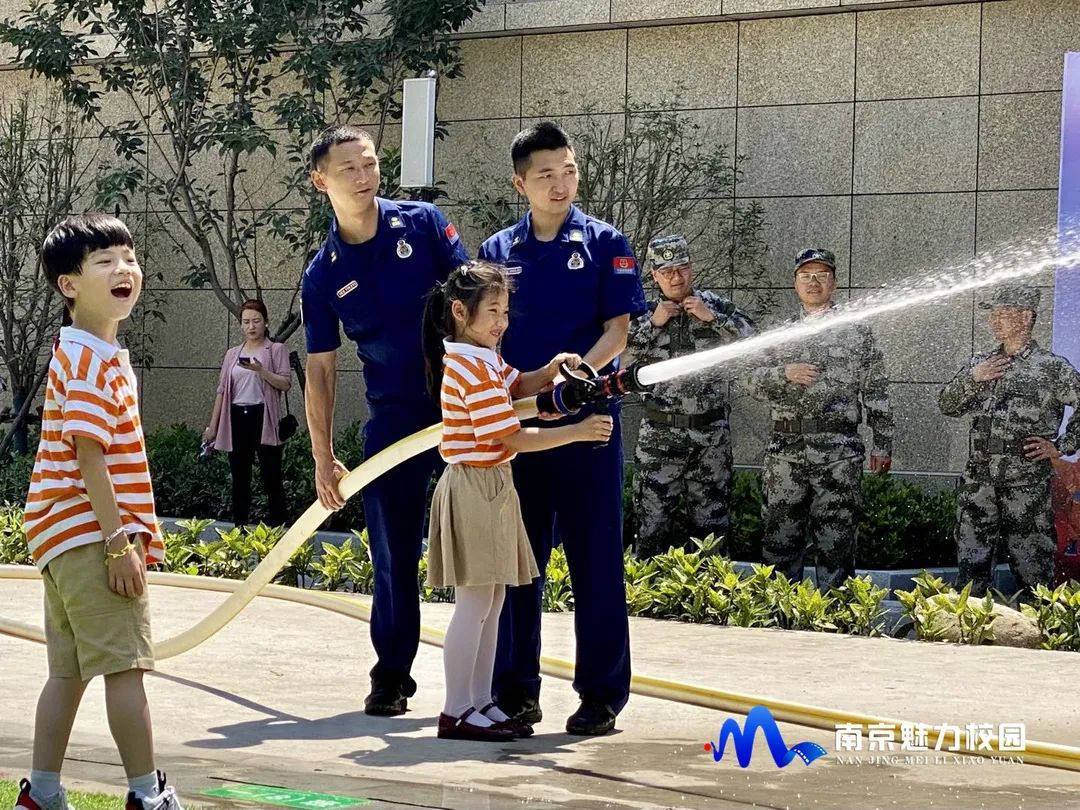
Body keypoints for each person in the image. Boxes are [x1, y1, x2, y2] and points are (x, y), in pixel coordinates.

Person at [479, 121, 646, 736]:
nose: (561, 183)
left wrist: (579, 376)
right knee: (519, 564)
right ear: (521, 182)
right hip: (519, 431)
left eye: (569, 170)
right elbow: (485, 337)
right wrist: (517, 390)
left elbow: (618, 331)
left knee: (595, 560)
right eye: (546, 174)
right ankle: (516, 692)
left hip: (589, 425)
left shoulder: (605, 243)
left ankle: (601, 695)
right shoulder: (497, 253)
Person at [300, 124, 469, 716]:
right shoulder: (323, 275)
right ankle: (392, 675)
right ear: (321, 180)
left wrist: (488, 391)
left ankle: (501, 681)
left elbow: (477, 306)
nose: (364, 176)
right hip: (394, 421)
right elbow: (320, 372)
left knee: (490, 541)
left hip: (463, 405)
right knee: (393, 550)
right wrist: (323, 457)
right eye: (349, 168)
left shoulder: (423, 224)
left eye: (370, 163)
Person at [15, 213, 183, 810]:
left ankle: (43, 792)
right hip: (93, 534)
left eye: (129, 259)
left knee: (68, 672)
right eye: (105, 261)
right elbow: (90, 456)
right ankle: (146, 793)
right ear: (69, 285)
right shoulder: (90, 360)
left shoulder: (91, 352)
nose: (124, 270)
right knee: (126, 668)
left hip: (63, 537)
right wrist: (118, 541)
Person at [421, 261, 613, 741]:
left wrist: (549, 371)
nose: (502, 321)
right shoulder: (468, 366)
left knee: (493, 600)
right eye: (493, 311)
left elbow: (516, 386)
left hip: (493, 486)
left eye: (506, 311)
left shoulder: (482, 357)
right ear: (461, 311)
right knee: (474, 604)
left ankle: (480, 701)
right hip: (475, 485)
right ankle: (456, 709)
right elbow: (510, 437)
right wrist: (575, 432)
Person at [745, 248, 893, 590]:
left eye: (822, 275)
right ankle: (778, 623)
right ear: (795, 283)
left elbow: (877, 391)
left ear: (834, 283)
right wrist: (783, 373)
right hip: (785, 454)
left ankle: (836, 625)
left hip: (838, 455)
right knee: (779, 544)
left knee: (837, 545)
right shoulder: (777, 332)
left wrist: (883, 444)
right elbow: (748, 381)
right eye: (806, 275)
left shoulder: (857, 333)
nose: (814, 282)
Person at [939, 285, 1080, 599]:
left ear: (1027, 317)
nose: (996, 320)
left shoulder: (1051, 368)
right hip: (978, 483)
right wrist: (972, 378)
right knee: (971, 570)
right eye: (993, 313)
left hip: (1025, 484)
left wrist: (1062, 445)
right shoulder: (982, 363)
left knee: (1033, 573)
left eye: (1005, 312)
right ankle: (968, 638)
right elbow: (947, 405)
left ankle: (1042, 638)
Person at [626, 234, 757, 557]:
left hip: (710, 435)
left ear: (692, 269)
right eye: (667, 271)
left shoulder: (716, 306)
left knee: (712, 529)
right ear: (654, 275)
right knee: (652, 526)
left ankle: (710, 601)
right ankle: (646, 601)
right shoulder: (639, 313)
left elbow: (754, 342)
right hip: (659, 435)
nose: (676, 277)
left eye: (682, 268)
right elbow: (617, 357)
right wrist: (652, 324)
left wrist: (713, 318)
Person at [203, 299, 291, 528]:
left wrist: (261, 371)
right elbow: (222, 390)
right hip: (236, 417)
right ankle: (239, 529)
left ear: (266, 322)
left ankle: (277, 528)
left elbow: (285, 383)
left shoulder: (276, 349)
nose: (251, 326)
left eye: (256, 321)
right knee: (240, 477)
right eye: (246, 322)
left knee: (271, 476)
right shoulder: (232, 354)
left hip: (264, 416)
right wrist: (212, 427)